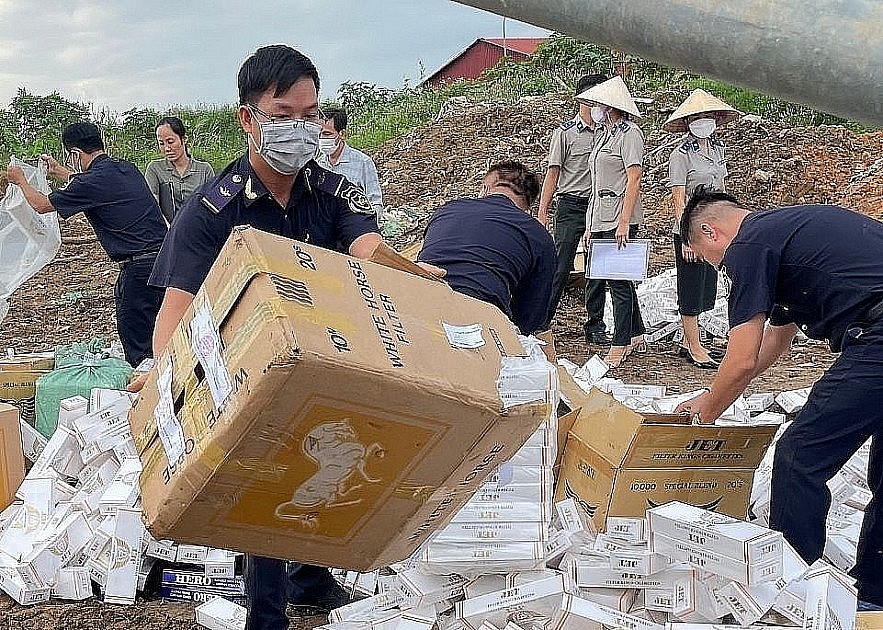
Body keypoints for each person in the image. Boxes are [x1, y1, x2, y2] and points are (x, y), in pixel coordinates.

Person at [145, 45, 383, 630]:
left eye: (311, 115)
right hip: (240, 366)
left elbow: (365, 248)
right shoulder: (212, 210)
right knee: (264, 472)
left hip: (320, 352)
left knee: (324, 459)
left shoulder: (329, 191)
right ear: (248, 118)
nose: (300, 129)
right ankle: (267, 610)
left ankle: (312, 578)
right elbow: (171, 322)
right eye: (284, 114)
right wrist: (189, 398)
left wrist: (423, 280)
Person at [674, 187, 883, 611]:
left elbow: (742, 354)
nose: (720, 271)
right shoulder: (787, 231)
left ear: (711, 234)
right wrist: (716, 393)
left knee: (797, 458)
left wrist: (708, 413)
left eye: (711, 262)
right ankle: (873, 599)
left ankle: (794, 596)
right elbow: (775, 341)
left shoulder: (749, 245)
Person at [5, 121, 166, 367]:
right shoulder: (125, 168)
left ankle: (150, 396)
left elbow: (40, 204)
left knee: (139, 345)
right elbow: (90, 183)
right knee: (164, 334)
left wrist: (21, 181)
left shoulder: (89, 183)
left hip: (139, 271)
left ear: (76, 154)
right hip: (165, 261)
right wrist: (59, 171)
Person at [416, 161, 556, 334]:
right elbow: (530, 316)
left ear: (486, 188)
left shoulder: (447, 210)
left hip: (418, 299)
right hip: (480, 317)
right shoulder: (537, 235)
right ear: (527, 207)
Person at [663, 89, 739, 369]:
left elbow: (722, 189)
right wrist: (687, 237)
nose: (704, 121)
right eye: (698, 117)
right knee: (691, 287)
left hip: (715, 228)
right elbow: (678, 197)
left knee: (708, 287)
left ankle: (690, 340)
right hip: (692, 229)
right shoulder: (680, 154)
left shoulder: (718, 149)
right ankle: (694, 346)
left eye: (708, 116)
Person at [575, 75, 647, 368]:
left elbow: (634, 178)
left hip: (619, 213)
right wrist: (590, 225)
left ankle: (619, 343)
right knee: (615, 277)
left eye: (598, 103)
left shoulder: (630, 133)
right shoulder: (605, 133)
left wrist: (623, 222)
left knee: (617, 281)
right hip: (600, 212)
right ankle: (636, 332)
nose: (594, 108)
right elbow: (596, 181)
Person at [538, 73, 610, 343]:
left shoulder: (610, 134)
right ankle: (542, 320)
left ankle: (595, 325)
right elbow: (553, 173)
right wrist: (543, 210)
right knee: (561, 265)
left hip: (601, 207)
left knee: (597, 268)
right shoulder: (565, 134)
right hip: (571, 205)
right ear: (581, 100)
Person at [144, 116, 215, 224]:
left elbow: (213, 205)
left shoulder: (204, 169)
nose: (167, 148)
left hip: (199, 228)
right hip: (167, 231)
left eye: (170, 142)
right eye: (162, 143)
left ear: (184, 139)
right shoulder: (154, 168)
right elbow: (153, 205)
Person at [316, 107, 384, 220]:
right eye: (319, 134)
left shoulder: (363, 163)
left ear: (342, 134)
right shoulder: (318, 165)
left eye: (327, 134)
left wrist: (366, 228)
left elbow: (375, 203)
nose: (321, 139)